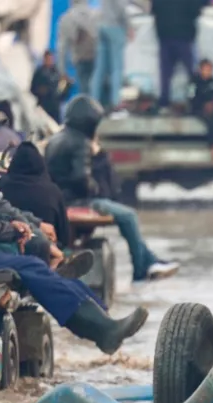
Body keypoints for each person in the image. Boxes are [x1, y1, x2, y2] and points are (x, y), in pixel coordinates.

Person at [0, 94, 148, 355]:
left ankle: (103, 323)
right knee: (30, 266)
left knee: (36, 265)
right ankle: (100, 328)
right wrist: (13, 231)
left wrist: (27, 226)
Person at [44, 94, 180, 282]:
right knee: (129, 216)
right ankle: (141, 271)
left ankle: (150, 261)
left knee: (126, 215)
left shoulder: (56, 138)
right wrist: (96, 189)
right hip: (78, 202)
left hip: (61, 200)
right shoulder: (80, 142)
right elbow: (81, 179)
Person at [152, 0, 207, 109]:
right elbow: (195, 10)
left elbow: (155, 9)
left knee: (165, 72)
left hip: (165, 35)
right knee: (191, 72)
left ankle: (164, 100)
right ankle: (195, 97)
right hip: (184, 36)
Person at [93, 0, 133, 110]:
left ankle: (93, 101)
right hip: (115, 26)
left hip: (102, 25)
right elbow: (122, 8)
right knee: (117, 67)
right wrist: (129, 25)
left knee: (100, 69)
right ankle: (116, 101)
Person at [58, 0, 99, 98]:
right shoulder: (96, 15)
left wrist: (62, 71)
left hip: (80, 59)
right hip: (96, 58)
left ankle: (87, 109)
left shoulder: (66, 18)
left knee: (84, 92)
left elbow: (62, 48)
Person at [189, 59, 213, 160]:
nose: (207, 72)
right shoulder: (194, 83)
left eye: (210, 69)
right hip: (198, 109)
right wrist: (203, 105)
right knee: (210, 121)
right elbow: (191, 98)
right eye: (205, 69)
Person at [31, 50, 72, 123]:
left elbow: (61, 92)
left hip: (55, 107)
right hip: (43, 106)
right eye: (47, 59)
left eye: (51, 59)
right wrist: (40, 91)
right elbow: (32, 89)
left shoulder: (57, 72)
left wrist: (67, 84)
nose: (49, 61)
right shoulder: (39, 73)